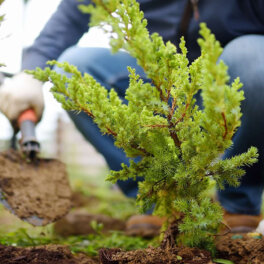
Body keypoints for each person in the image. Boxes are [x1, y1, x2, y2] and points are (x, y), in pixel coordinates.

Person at [0, 0, 264, 236]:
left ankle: (238, 202)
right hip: (158, 85)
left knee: (253, 58)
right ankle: (157, 197)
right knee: (73, 71)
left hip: (230, 88)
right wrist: (30, 72)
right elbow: (73, 12)